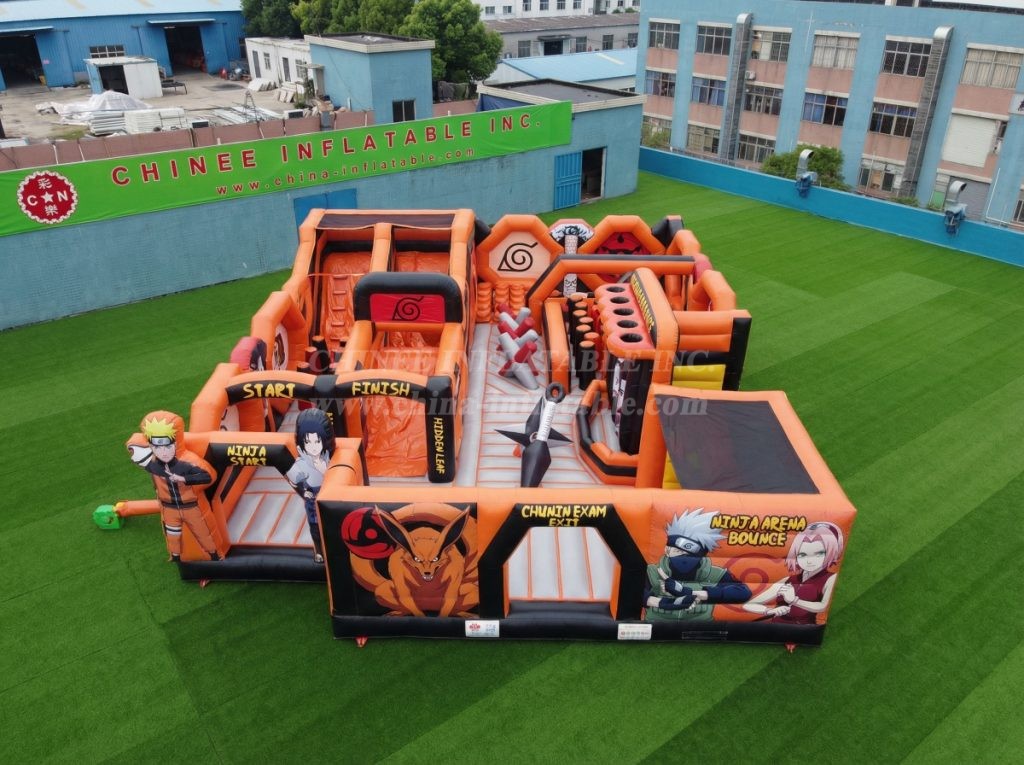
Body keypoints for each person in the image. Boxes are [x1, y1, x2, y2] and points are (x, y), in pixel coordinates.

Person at [129, 411, 220, 562]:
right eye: (158, 448)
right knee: (172, 535)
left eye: (167, 447)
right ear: (151, 447)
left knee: (204, 533)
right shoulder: (152, 464)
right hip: (168, 507)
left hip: (190, 506)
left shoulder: (186, 462)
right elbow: (133, 445)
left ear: (175, 444)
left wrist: (183, 479)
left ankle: (216, 556)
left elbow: (209, 477)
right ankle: (175, 557)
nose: (163, 452)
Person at [644, 508, 751, 622]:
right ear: (667, 550)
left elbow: (743, 592)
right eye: (678, 551)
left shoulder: (715, 574)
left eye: (691, 554)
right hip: (657, 628)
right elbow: (633, 594)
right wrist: (663, 603)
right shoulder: (652, 571)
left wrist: (694, 593)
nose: (684, 557)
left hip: (701, 629)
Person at [743, 521, 845, 624]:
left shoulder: (830, 578)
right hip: (776, 627)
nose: (809, 561)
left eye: (819, 553)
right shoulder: (787, 580)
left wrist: (794, 600)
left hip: (803, 629)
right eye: (802, 555)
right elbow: (748, 605)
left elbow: (822, 606)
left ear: (831, 552)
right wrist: (769, 611)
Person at [286, 408, 334, 564]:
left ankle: (331, 550)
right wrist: (303, 490)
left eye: (317, 442)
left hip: (329, 498)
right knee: (315, 527)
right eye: (308, 442)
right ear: (302, 443)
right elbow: (292, 479)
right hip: (313, 502)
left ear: (324, 441)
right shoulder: (302, 464)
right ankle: (319, 551)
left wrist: (324, 470)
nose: (313, 447)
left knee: (330, 526)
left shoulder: (329, 457)